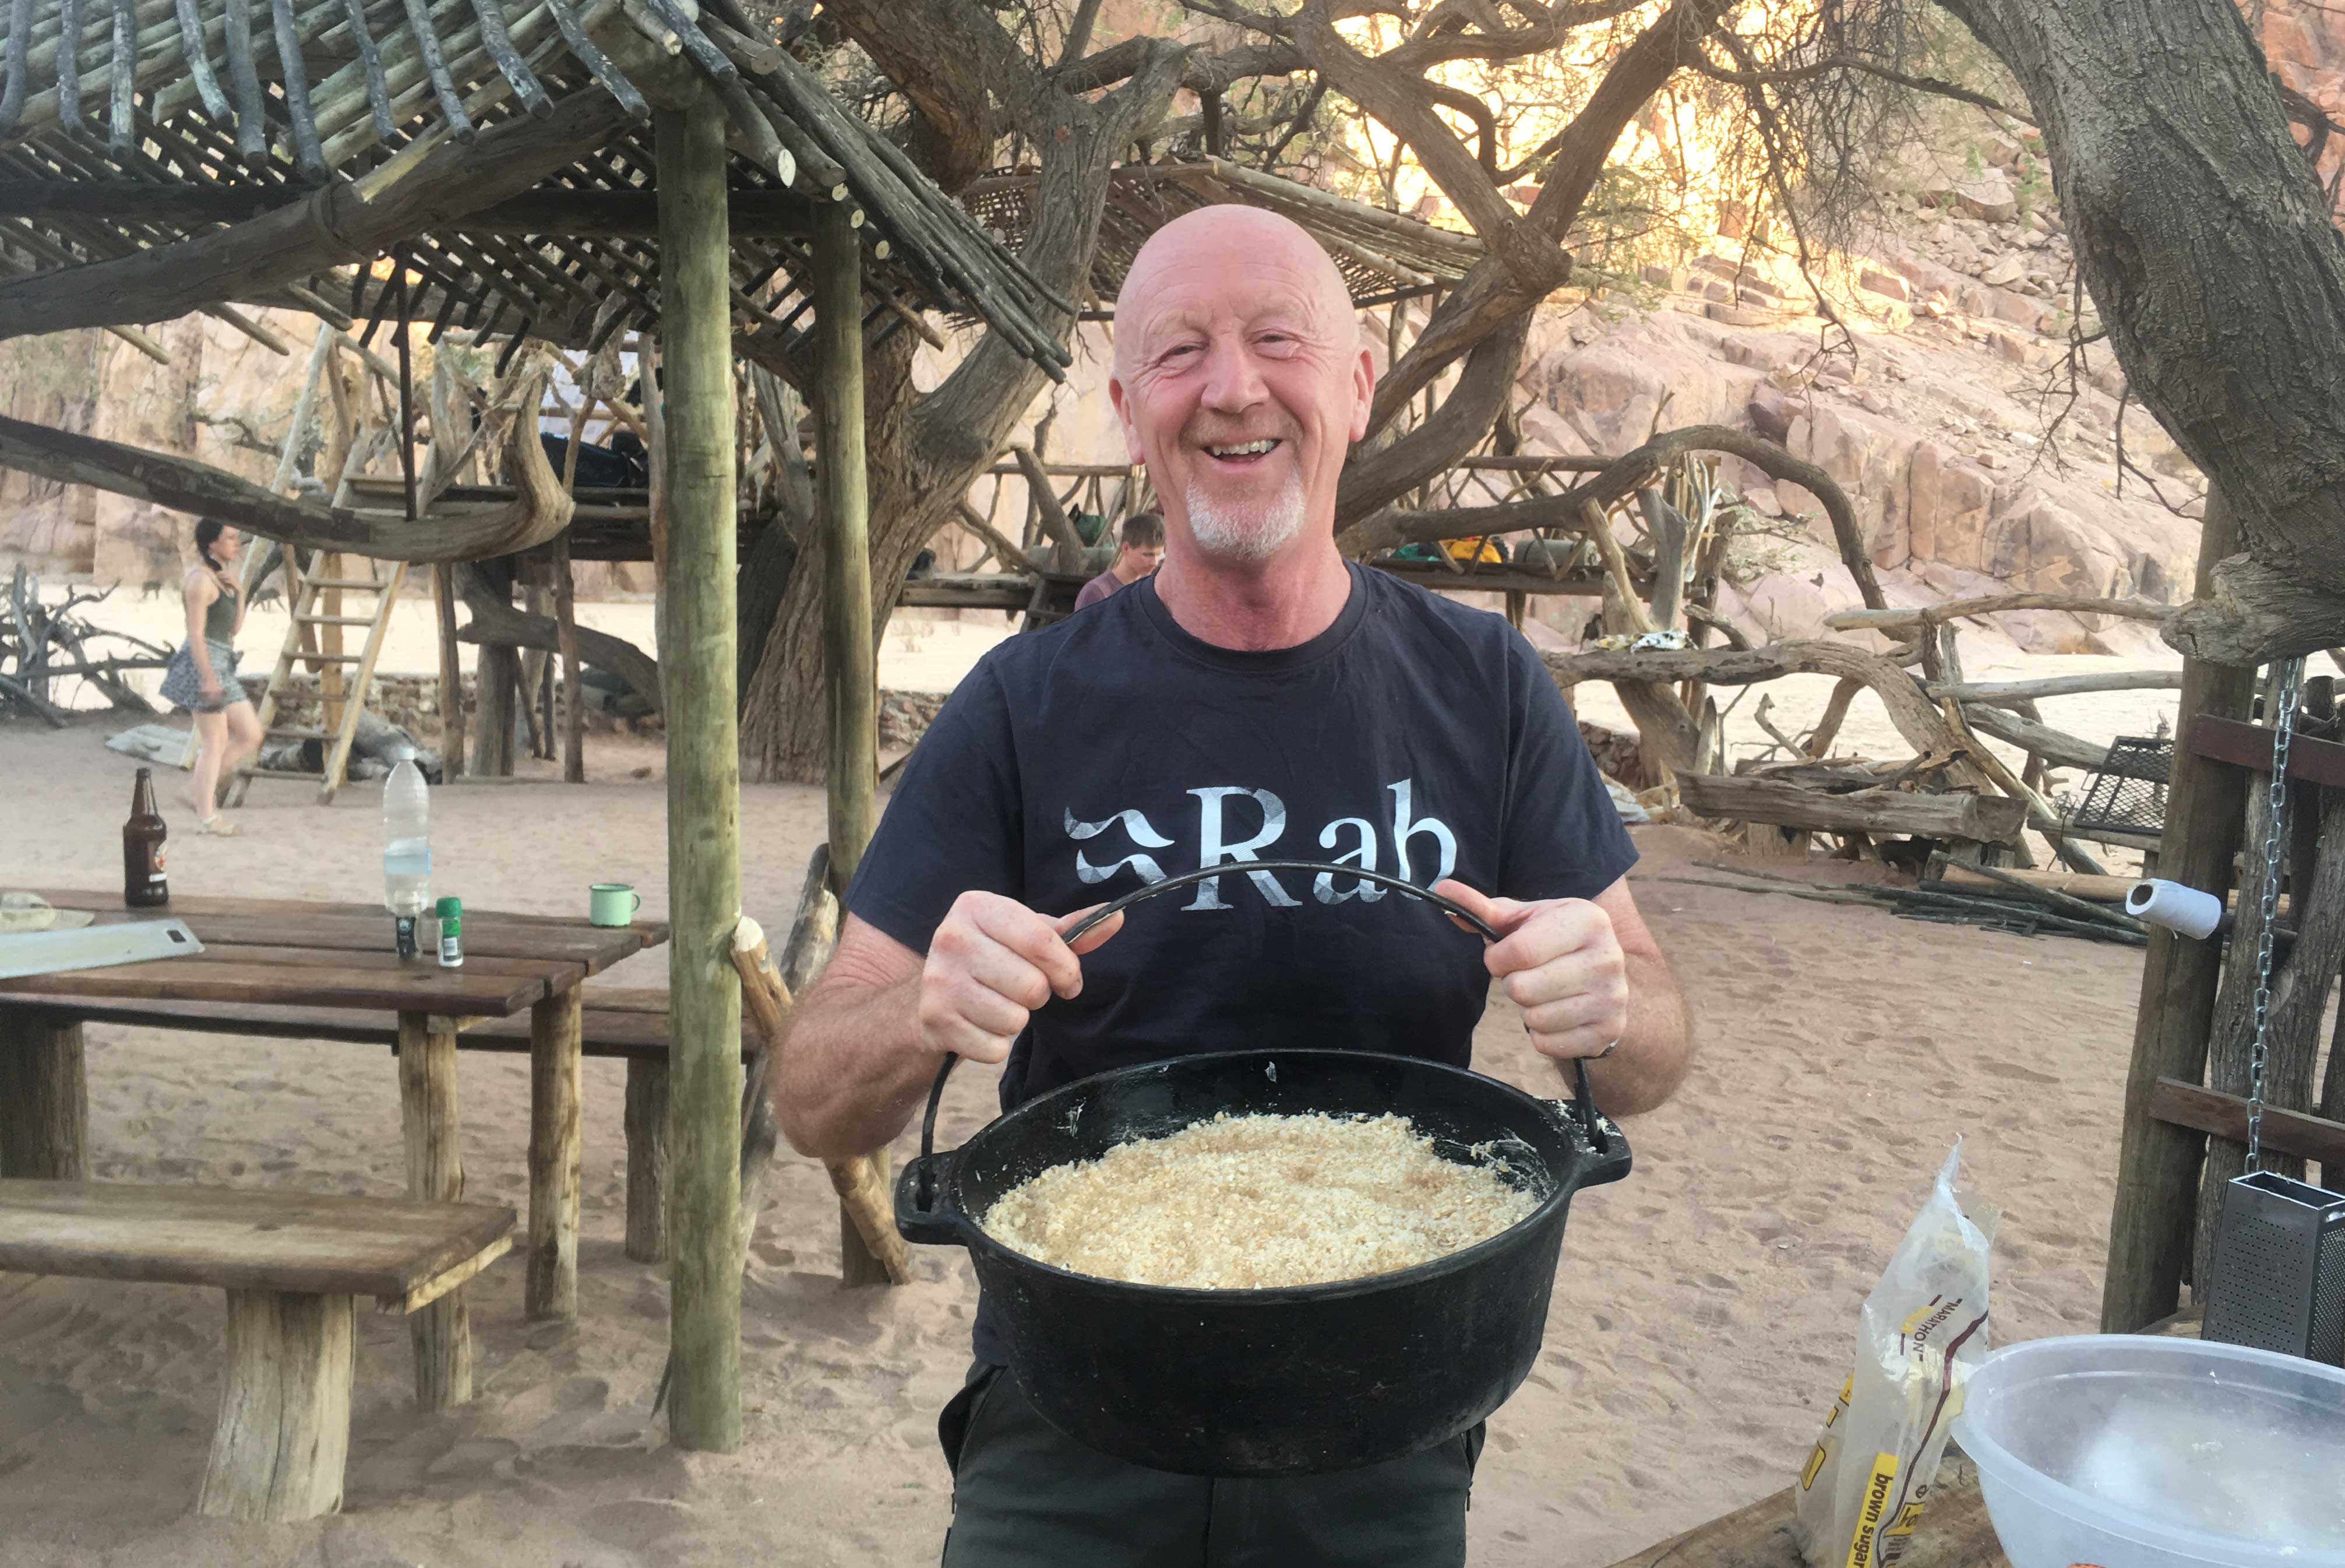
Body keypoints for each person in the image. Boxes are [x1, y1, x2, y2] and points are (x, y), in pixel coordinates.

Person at [776, 204, 1692, 1566]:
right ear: (1129, 405)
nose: (1234, 387)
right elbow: (807, 1094)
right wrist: (924, 1003)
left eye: (1279, 341)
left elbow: (1653, 1054)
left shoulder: (1487, 688)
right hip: (1075, 1395)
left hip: (1388, 1392)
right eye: (1181, 352)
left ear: (1363, 379)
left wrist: (1604, 1000)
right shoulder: (1024, 705)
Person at [157, 518, 262, 835]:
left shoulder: (221, 579)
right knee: (215, 742)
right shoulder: (199, 581)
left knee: (251, 734)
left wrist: (240, 592)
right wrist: (207, 677)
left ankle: (197, 789)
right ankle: (208, 816)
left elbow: (234, 629)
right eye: (230, 538)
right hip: (204, 663)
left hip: (223, 662)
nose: (237, 544)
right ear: (212, 544)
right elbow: (196, 636)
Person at [1073, 511, 1166, 609]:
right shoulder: (1097, 592)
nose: (1155, 563)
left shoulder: (1153, 591)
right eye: (1148, 555)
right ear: (1126, 548)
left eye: (1159, 555)